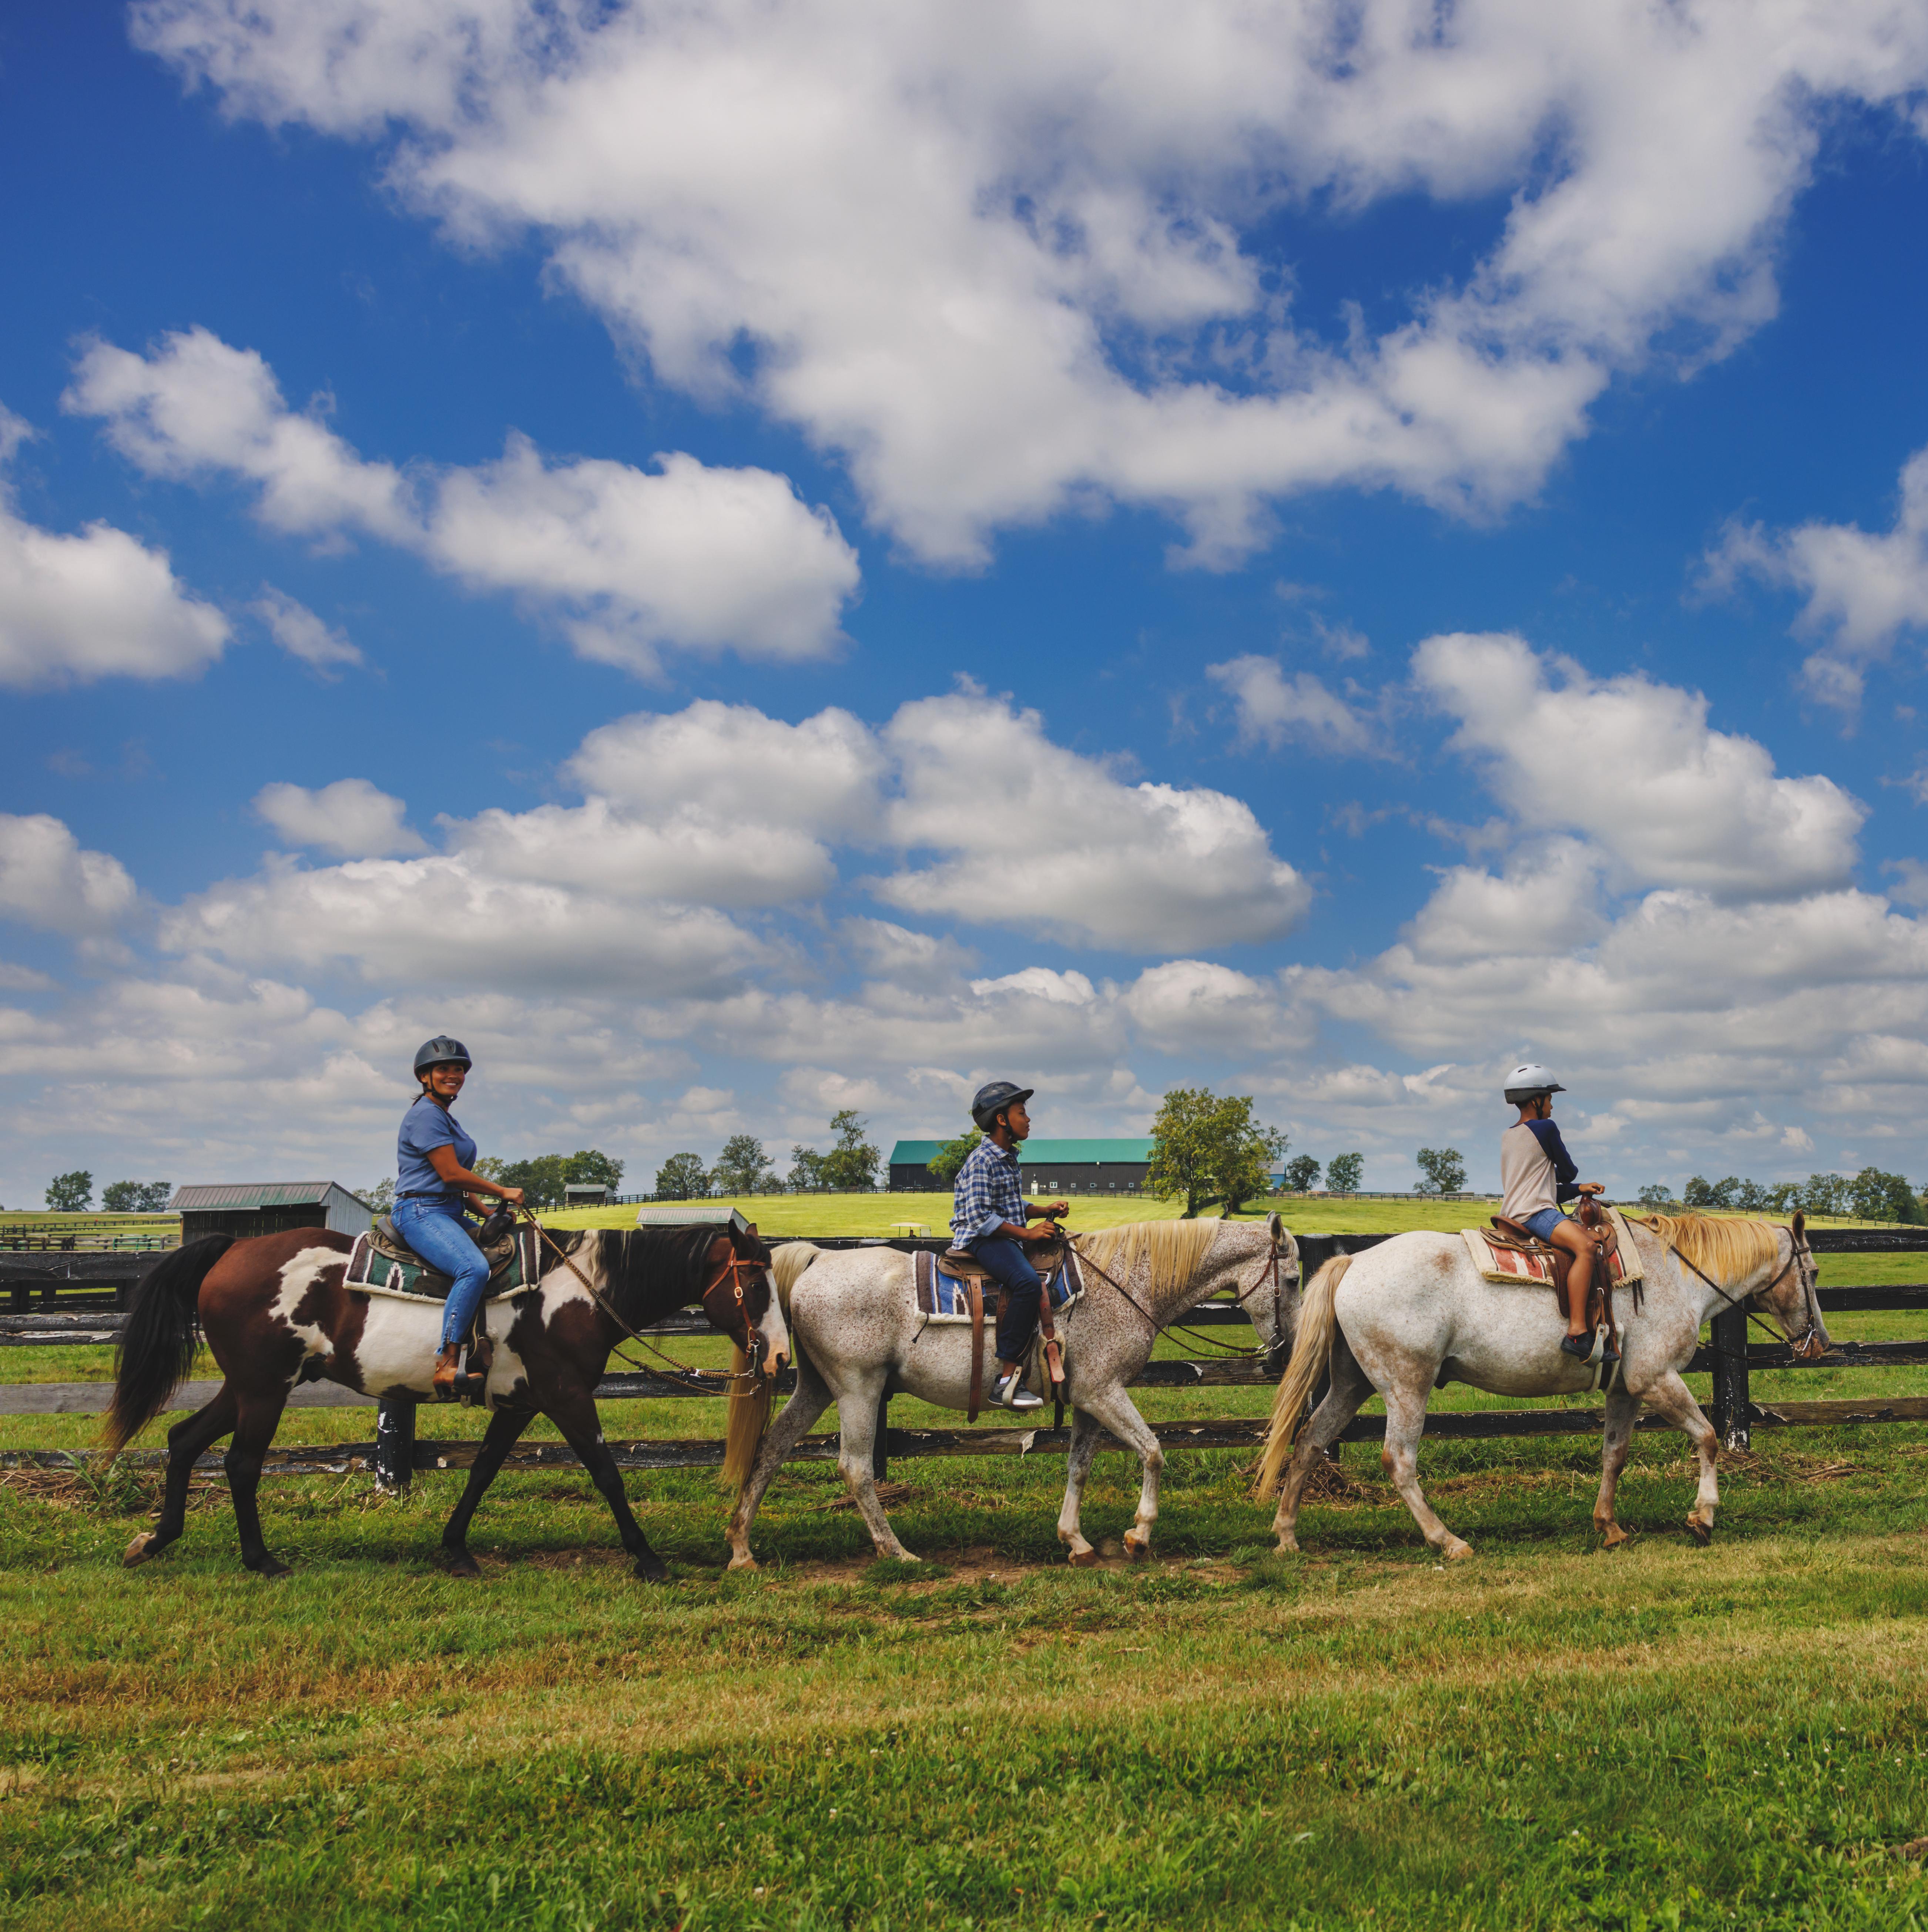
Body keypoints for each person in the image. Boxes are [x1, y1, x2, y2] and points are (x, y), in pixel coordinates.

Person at [394, 1036, 526, 1399]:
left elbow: (457, 1186)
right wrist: (501, 1191)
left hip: (449, 1210)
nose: (453, 1075)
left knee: (507, 1252)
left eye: (458, 1069)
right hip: (420, 1210)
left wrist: (488, 1214)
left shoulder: (446, 1118)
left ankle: (485, 1343)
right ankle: (448, 1359)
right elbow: (450, 1174)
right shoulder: (425, 1114)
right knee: (473, 1269)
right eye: (444, 1069)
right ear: (425, 1076)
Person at [950, 1081, 1070, 1411]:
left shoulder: (1006, 1157)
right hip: (982, 1238)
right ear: (1002, 1120)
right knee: (1028, 1284)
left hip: (1000, 1232)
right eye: (1022, 1112)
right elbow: (979, 1216)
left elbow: (1010, 1203)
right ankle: (1005, 1380)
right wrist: (1028, 1234)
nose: (1028, 1119)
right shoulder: (982, 1160)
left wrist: (1043, 1210)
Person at [1499, 1063, 1612, 1363]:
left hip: (1516, 1210)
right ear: (1536, 1099)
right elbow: (1568, 1171)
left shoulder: (1510, 1135)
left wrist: (1578, 1189)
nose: (1551, 1106)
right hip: (1535, 1213)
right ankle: (1576, 1331)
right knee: (1587, 1248)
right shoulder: (1545, 1128)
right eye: (1549, 1099)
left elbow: (1544, 1186)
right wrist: (1575, 1179)